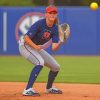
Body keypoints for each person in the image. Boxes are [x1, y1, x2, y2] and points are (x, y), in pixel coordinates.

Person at [19, 5, 65, 96]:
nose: (52, 14)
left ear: (56, 15)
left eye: (54, 13)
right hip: (25, 45)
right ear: (46, 14)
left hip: (36, 47)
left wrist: (60, 42)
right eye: (50, 13)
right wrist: (36, 47)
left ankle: (49, 88)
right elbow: (26, 38)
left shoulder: (55, 28)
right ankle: (27, 89)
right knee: (40, 62)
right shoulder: (40, 23)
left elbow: (53, 48)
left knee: (56, 67)